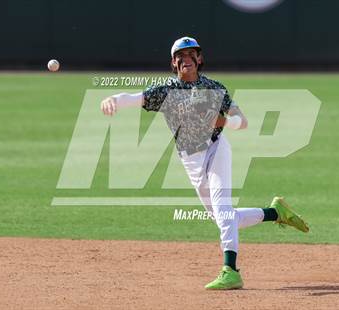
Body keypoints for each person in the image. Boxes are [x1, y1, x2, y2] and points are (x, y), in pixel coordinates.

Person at [101, 36, 309, 290]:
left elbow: (241, 121)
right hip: (190, 159)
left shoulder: (214, 87)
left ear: (199, 59)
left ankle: (230, 271)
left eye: (191, 54)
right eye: (180, 55)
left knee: (223, 213)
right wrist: (113, 99)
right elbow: (133, 97)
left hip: (216, 148)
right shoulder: (166, 91)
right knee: (224, 218)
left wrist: (223, 122)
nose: (186, 59)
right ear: (173, 63)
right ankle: (277, 213)